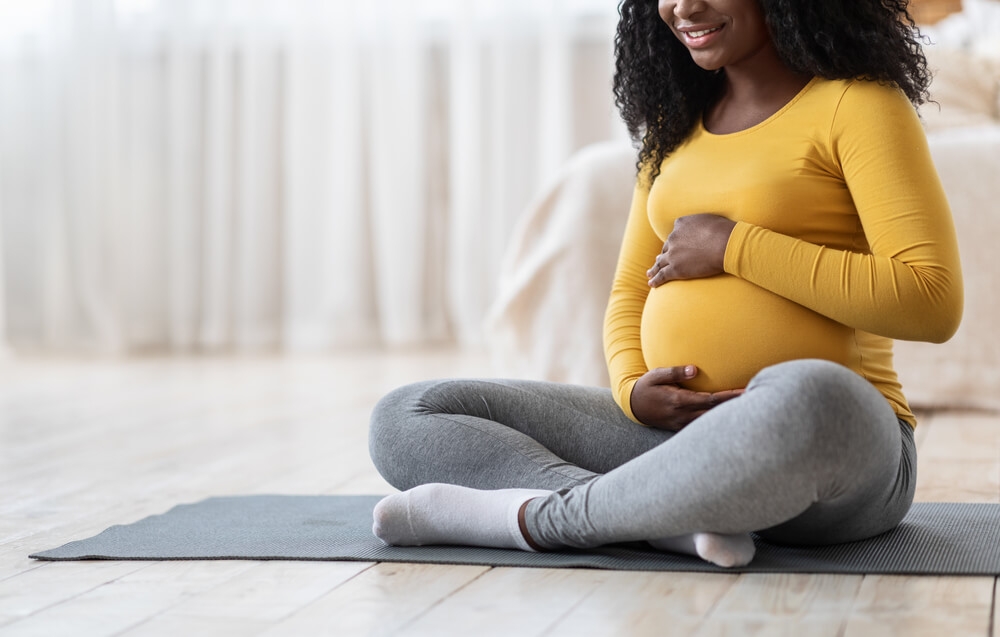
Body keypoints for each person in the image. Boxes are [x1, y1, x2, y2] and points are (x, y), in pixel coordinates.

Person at [366, 0, 963, 567]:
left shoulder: (858, 104)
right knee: (408, 413)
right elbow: (631, 289)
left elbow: (931, 300)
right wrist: (631, 389)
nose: (684, 7)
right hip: (672, 441)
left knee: (808, 393)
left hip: (828, 449)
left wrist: (734, 246)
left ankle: (548, 520)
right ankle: (662, 518)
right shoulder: (672, 127)